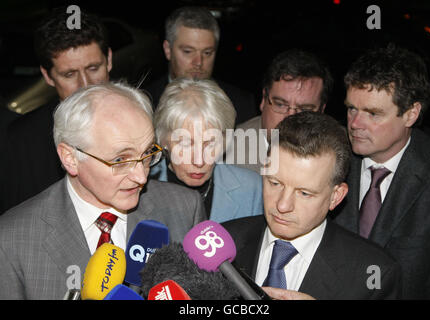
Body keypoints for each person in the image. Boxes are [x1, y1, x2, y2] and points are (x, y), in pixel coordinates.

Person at [0, 82, 206, 300]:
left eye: (147, 154)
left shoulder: (184, 208)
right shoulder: (12, 240)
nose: (141, 177)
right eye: (120, 160)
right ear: (70, 158)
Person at [223, 112, 401, 300]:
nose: (283, 205)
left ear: (336, 197)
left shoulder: (375, 272)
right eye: (274, 183)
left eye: (304, 193)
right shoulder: (222, 243)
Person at [331, 44, 430, 299]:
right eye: (352, 108)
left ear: (410, 114)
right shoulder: (329, 153)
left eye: (373, 114)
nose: (355, 124)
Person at [1, 8, 113, 214]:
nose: (85, 84)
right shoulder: (19, 142)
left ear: (109, 59)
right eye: (69, 74)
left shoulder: (143, 122)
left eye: (93, 68)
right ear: (48, 76)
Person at [151, 78, 263, 223]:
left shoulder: (251, 189)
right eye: (186, 144)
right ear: (163, 140)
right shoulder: (139, 189)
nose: (199, 161)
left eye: (210, 143)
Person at [142, 6, 257, 125]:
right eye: (188, 51)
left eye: (207, 53)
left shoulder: (241, 105)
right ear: (168, 50)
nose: (198, 62)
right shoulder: (144, 105)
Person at [230, 49, 333, 173]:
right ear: (263, 100)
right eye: (280, 105)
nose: (290, 118)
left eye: (304, 110)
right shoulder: (227, 153)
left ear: (321, 111)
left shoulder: (336, 154)